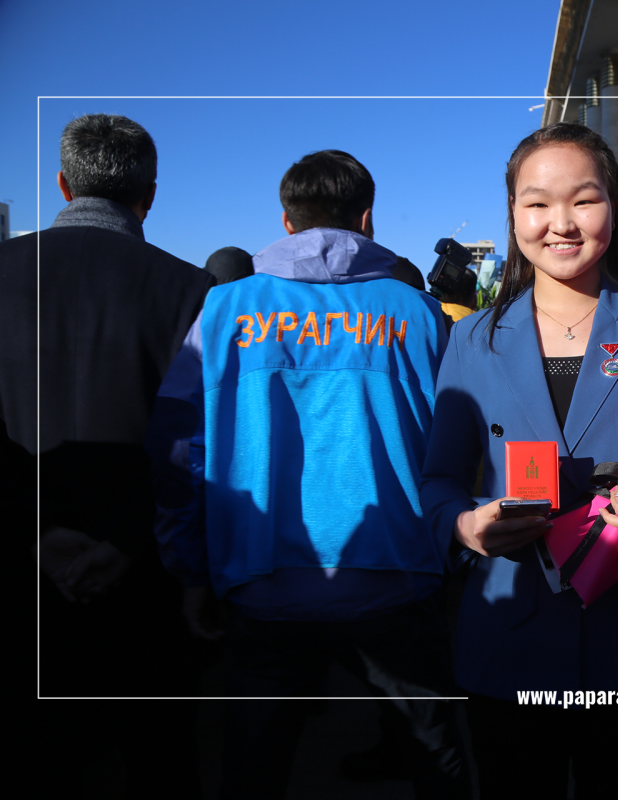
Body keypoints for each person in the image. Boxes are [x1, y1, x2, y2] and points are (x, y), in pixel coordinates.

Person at [147, 149, 466, 799]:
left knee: (254, 764)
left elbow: (179, 447)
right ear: (367, 217)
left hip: (260, 578)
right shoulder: (418, 313)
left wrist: (190, 566)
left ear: (286, 221)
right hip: (399, 573)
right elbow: (461, 445)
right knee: (434, 756)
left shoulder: (224, 310)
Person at [420, 122, 618, 799]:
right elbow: (438, 480)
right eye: (537, 203)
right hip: (511, 631)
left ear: (613, 206)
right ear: (513, 214)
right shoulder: (471, 338)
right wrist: (464, 526)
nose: (561, 223)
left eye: (584, 199)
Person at [1, 114, 214, 796]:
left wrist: (36, 531)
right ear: (149, 195)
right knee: (160, 757)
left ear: (63, 185)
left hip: (28, 573)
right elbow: (202, 445)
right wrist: (126, 541)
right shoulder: (192, 291)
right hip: (148, 576)